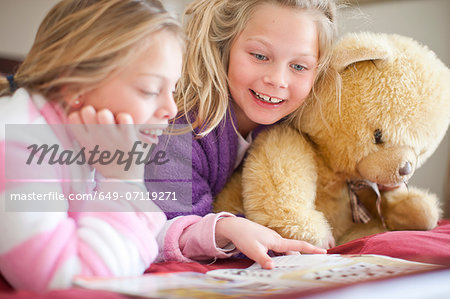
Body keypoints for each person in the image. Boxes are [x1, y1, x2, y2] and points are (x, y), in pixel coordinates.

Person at [0, 0, 325, 292]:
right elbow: (67, 280)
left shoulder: (84, 136)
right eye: (149, 89)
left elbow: (133, 232)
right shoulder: (19, 142)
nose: (170, 110)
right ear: (75, 81)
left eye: (172, 89)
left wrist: (222, 230)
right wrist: (120, 179)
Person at [147, 0, 339, 250]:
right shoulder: (179, 130)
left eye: (299, 66)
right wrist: (273, 231)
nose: (278, 80)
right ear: (225, 45)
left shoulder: (300, 123)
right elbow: (173, 226)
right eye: (260, 56)